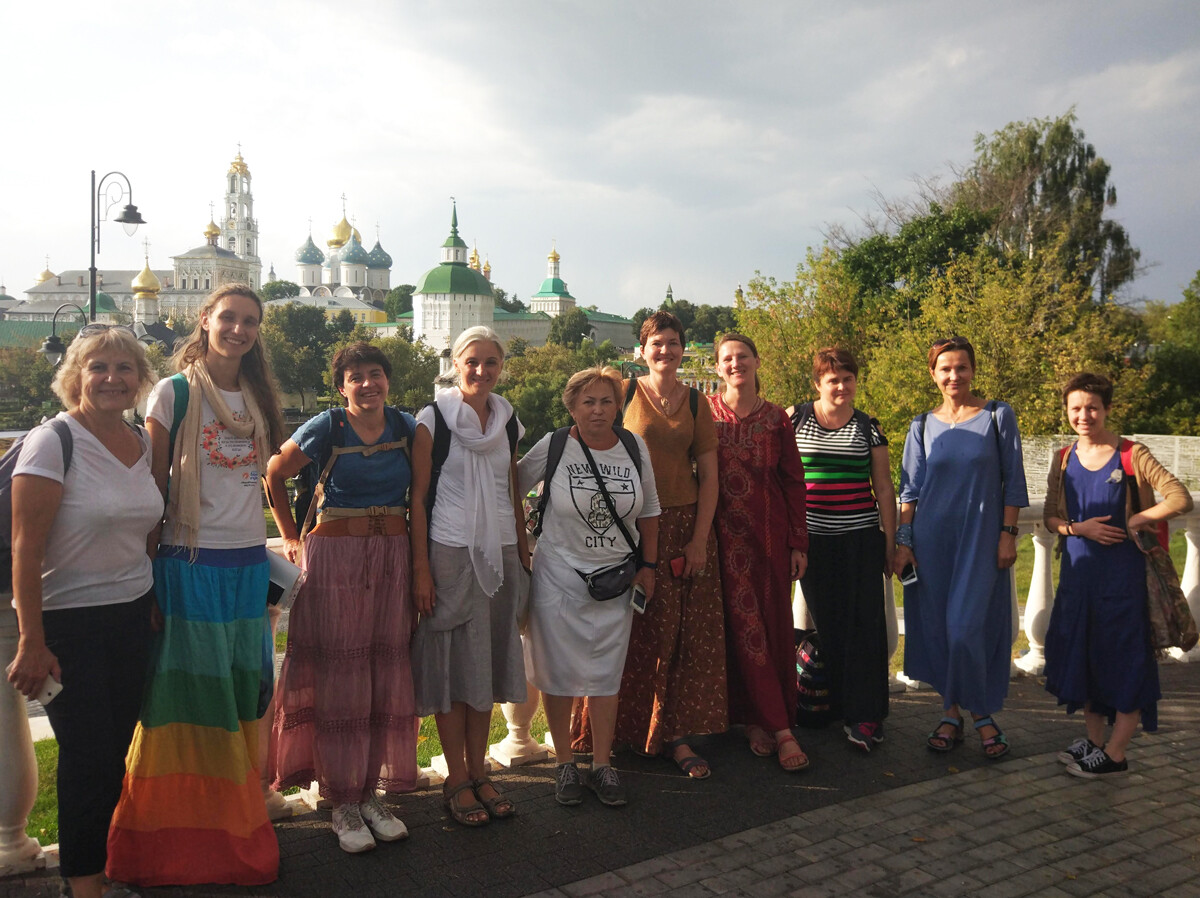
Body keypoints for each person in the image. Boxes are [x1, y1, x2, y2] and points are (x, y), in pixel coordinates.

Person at [107, 284, 287, 886]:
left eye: (250, 322)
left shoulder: (256, 394)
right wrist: (147, 574)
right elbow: (152, 487)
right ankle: (172, 843)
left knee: (241, 697)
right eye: (228, 318)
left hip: (245, 566)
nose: (238, 330)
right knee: (187, 703)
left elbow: (259, 481)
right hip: (189, 562)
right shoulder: (175, 392)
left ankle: (234, 821)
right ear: (205, 319)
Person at [5, 327, 160, 898]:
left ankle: (93, 865)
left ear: (140, 380)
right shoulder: (52, 441)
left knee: (114, 749)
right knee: (88, 758)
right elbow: (27, 546)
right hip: (69, 624)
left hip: (131, 617)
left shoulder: (139, 442)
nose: (112, 378)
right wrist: (31, 640)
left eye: (124, 368)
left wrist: (149, 599)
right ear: (76, 376)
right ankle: (85, 883)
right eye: (98, 367)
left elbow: (144, 527)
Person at [264, 342, 416, 851]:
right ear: (341, 386)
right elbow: (275, 472)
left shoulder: (405, 426)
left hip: (391, 556)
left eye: (376, 374)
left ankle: (368, 791)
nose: (368, 384)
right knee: (341, 675)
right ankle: (341, 801)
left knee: (380, 672)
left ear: (387, 380)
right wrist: (289, 536)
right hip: (335, 557)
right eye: (357, 377)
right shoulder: (327, 426)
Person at [574, 311, 727, 779]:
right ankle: (614, 731)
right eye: (656, 342)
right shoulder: (624, 393)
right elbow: (588, 438)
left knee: (677, 635)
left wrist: (701, 539)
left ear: (684, 348)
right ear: (642, 349)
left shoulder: (697, 402)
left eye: (674, 342)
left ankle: (673, 734)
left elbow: (711, 477)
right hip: (627, 528)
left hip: (682, 527)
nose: (666, 350)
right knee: (623, 631)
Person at [517, 366, 660, 807]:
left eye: (606, 401)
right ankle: (565, 764)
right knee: (556, 675)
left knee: (605, 677)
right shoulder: (556, 445)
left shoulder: (634, 448)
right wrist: (521, 546)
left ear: (619, 406)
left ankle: (602, 765)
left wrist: (649, 565)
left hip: (616, 581)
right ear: (572, 407)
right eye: (588, 402)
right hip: (558, 577)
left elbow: (650, 510)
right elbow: (508, 487)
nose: (598, 410)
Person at [1043, 373, 1192, 778]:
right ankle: (1093, 743)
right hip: (1079, 580)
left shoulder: (1131, 454)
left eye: (1092, 407)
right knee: (1086, 659)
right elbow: (1050, 518)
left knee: (1126, 662)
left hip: (1123, 582)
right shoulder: (1063, 457)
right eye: (1075, 408)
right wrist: (1078, 528)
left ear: (1107, 408)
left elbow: (1180, 496)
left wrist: (1138, 517)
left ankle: (1116, 753)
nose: (1083, 415)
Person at [410, 326, 529, 826]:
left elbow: (513, 489)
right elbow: (416, 499)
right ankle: (456, 775)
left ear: (502, 366)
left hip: (498, 549)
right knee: (453, 663)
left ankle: (479, 771)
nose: (481, 371)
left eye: (491, 362)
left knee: (487, 662)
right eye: (472, 362)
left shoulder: (507, 419)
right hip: (450, 550)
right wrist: (421, 568)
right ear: (455, 364)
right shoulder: (432, 419)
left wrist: (523, 553)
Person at [895, 336, 1028, 759]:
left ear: (973, 370)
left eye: (962, 367)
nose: (954, 376)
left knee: (967, 628)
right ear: (933, 374)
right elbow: (909, 491)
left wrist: (1008, 532)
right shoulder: (920, 425)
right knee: (939, 630)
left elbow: (1015, 481)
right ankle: (951, 713)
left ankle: (982, 713)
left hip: (980, 540)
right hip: (932, 543)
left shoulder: (996, 416)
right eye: (945, 368)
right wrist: (903, 543)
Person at [709, 334, 810, 771]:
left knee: (768, 630)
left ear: (757, 361)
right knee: (740, 630)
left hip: (768, 541)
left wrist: (798, 542)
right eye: (727, 359)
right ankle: (779, 727)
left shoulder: (775, 419)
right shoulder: (705, 414)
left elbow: (793, 482)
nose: (736, 364)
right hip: (720, 543)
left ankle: (758, 721)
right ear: (717, 367)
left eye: (743, 357)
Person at [789, 347, 895, 753]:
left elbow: (883, 487)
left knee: (865, 628)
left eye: (848, 378)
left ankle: (867, 717)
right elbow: (782, 477)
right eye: (832, 379)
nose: (841, 386)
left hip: (860, 539)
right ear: (817, 383)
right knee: (830, 626)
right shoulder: (794, 418)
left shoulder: (869, 427)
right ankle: (833, 706)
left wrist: (888, 541)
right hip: (813, 542)